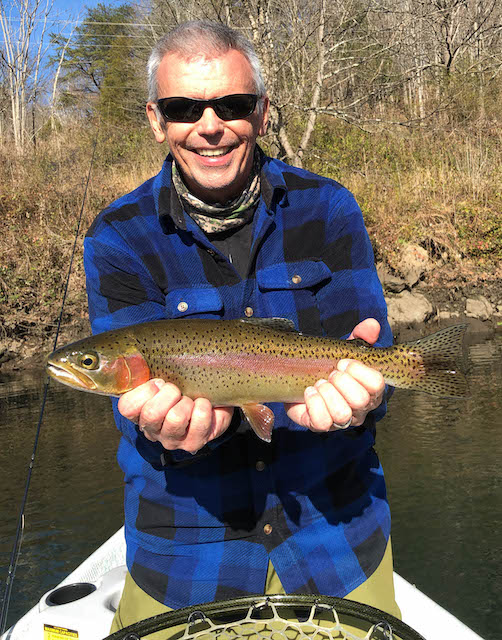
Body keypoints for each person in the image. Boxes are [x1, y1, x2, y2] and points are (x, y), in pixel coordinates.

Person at [83, 20, 400, 634]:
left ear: (261, 110)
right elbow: (137, 418)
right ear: (156, 119)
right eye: (184, 108)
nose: (210, 125)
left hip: (335, 536)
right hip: (185, 557)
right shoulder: (117, 237)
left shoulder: (329, 207)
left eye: (232, 104)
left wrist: (368, 394)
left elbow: (369, 356)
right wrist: (163, 432)